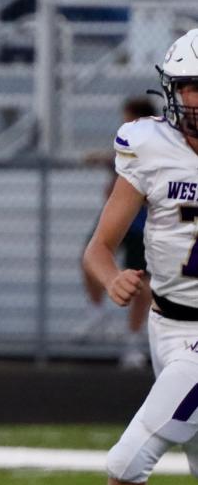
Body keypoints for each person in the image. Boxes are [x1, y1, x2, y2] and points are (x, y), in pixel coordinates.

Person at [17, 33, 198, 485]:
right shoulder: (147, 145)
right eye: (188, 85)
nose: (194, 99)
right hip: (168, 329)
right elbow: (98, 245)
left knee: (127, 461)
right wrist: (111, 276)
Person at [80, 96, 158, 369]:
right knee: (90, 256)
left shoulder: (155, 146)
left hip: (141, 223)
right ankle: (97, 313)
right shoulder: (129, 144)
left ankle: (133, 341)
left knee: (143, 284)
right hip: (118, 217)